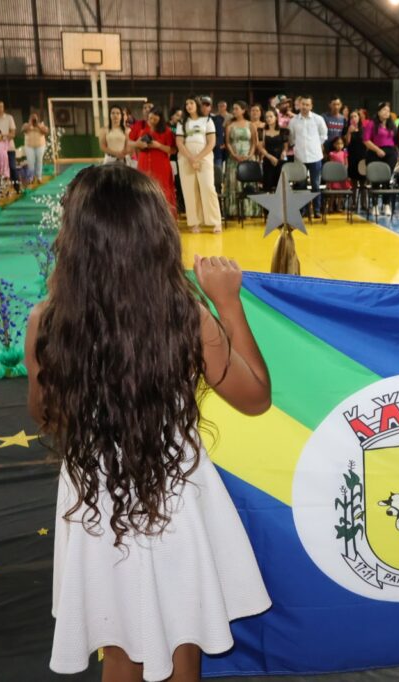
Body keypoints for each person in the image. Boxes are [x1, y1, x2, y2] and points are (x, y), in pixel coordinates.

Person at [23, 164, 272, 681]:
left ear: (75, 240)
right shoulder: (187, 315)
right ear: (157, 233)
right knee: (183, 630)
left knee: (117, 640)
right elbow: (256, 398)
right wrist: (227, 302)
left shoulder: (46, 321)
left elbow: (45, 415)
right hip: (175, 490)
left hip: (95, 495)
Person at [176, 96, 223, 233]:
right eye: (186, 103)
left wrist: (197, 158)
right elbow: (179, 143)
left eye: (191, 103)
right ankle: (194, 222)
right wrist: (191, 158)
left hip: (204, 157)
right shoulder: (182, 122)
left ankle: (215, 222)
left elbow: (211, 142)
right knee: (190, 190)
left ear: (197, 104)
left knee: (208, 188)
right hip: (185, 159)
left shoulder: (208, 120)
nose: (188, 106)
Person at [288, 95, 328, 219]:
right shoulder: (293, 120)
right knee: (301, 185)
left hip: (315, 156)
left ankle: (317, 210)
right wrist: (298, 147)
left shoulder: (318, 119)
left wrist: (315, 145)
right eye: (302, 104)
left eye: (307, 104)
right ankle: (303, 210)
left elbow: (324, 135)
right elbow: (291, 138)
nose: (304, 107)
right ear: (299, 105)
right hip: (300, 157)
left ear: (311, 106)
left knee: (316, 185)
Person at [132, 106, 177, 215]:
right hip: (144, 164)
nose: (152, 121)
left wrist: (158, 145)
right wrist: (140, 145)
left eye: (155, 119)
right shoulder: (144, 130)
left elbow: (173, 150)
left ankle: (164, 217)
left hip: (160, 165)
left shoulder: (167, 131)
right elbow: (135, 145)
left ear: (160, 119)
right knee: (144, 190)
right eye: (150, 118)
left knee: (163, 190)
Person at [223, 101, 261, 219]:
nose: (234, 111)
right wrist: (234, 155)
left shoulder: (251, 125)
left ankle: (249, 211)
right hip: (234, 159)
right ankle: (234, 212)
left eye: (236, 109)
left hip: (248, 158)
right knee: (234, 184)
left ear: (243, 110)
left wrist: (249, 156)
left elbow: (255, 142)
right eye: (233, 109)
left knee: (248, 184)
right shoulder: (230, 125)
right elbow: (228, 142)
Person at [363, 102, 399, 215]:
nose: (386, 112)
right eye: (383, 110)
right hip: (375, 153)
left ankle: (386, 204)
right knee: (376, 180)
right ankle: (374, 205)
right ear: (378, 112)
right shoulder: (371, 124)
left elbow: (396, 141)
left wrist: (397, 154)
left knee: (387, 180)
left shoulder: (392, 125)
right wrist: (377, 150)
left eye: (388, 110)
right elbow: (366, 140)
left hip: (390, 153)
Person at [0, 99, 18, 192]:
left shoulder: (9, 118)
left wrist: (2, 136)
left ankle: (17, 187)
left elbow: (13, 133)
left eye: (1, 106)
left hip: (9, 148)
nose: (0, 108)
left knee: (12, 167)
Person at [258, 108, 289, 193]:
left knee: (281, 187)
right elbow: (260, 147)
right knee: (267, 185)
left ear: (276, 117)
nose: (268, 119)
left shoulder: (283, 131)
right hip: (268, 159)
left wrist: (284, 152)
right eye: (266, 117)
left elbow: (286, 146)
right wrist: (269, 157)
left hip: (280, 160)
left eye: (270, 116)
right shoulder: (262, 131)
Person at [344, 109, 367, 193]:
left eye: (355, 116)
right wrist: (349, 132)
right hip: (352, 157)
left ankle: (364, 203)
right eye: (351, 117)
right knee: (353, 183)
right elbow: (347, 143)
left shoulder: (364, 129)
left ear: (359, 118)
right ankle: (353, 203)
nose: (353, 118)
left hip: (362, 157)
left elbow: (367, 143)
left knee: (362, 183)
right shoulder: (348, 129)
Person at [201, 96, 226, 173]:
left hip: (215, 155)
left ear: (210, 107)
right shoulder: (194, 120)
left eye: (207, 105)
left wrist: (208, 147)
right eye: (202, 105)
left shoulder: (216, 120)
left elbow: (220, 138)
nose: (204, 108)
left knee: (216, 180)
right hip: (198, 155)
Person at [22, 113, 49, 186]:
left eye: (35, 118)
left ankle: (39, 177)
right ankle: (31, 177)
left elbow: (46, 132)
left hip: (40, 146)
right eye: (32, 118)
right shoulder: (26, 125)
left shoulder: (41, 125)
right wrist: (30, 124)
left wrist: (38, 125)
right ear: (29, 119)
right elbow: (23, 130)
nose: (34, 120)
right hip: (29, 147)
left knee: (39, 161)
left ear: (38, 119)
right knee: (30, 162)